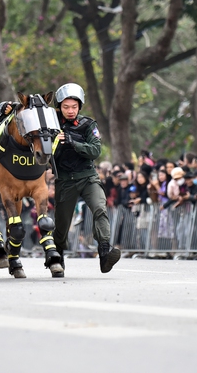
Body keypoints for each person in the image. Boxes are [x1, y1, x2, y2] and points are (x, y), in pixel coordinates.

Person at [52, 83, 120, 276]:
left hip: (88, 176)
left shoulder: (88, 124)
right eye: (66, 107)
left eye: (74, 107)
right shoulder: (52, 126)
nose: (70, 111)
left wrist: (74, 142)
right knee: (62, 224)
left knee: (100, 208)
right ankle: (58, 257)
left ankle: (105, 252)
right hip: (65, 180)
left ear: (79, 106)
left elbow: (95, 150)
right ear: (59, 107)